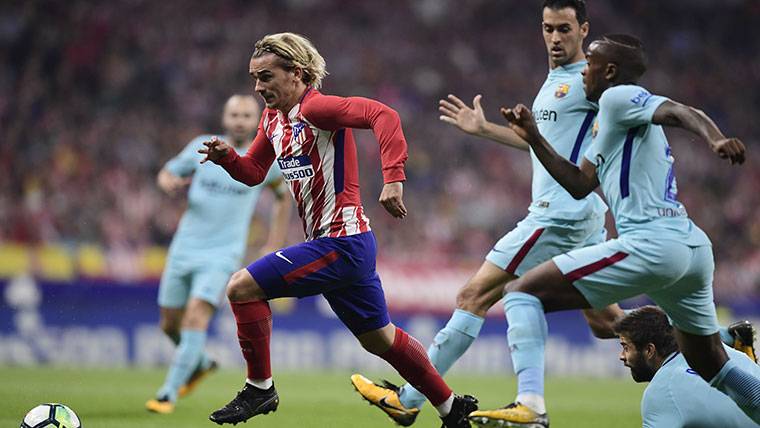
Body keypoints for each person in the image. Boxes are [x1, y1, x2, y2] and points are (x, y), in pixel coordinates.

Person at [353, 2, 622, 426]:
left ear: (584, 29)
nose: (555, 38)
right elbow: (543, 143)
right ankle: (717, 344)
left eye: (564, 29)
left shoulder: (590, 79)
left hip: (557, 216)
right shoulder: (556, 80)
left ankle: (410, 398)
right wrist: (485, 130)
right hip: (580, 216)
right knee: (607, 323)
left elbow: (626, 108)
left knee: (473, 296)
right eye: (548, 28)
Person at [199, 32, 477, 427]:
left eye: (266, 77)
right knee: (379, 338)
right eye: (255, 78)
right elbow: (254, 172)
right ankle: (452, 409)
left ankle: (260, 388)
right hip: (344, 246)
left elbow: (383, 115)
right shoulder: (273, 119)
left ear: (296, 73)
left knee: (241, 287)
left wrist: (393, 178)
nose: (258, 87)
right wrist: (229, 158)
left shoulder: (317, 108)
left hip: (342, 242)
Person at [487, 33, 759, 425]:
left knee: (521, 293)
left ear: (610, 71)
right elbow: (579, 183)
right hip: (691, 248)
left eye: (590, 63)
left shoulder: (619, 97)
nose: (583, 71)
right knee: (711, 363)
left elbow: (679, 110)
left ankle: (531, 405)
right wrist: (534, 138)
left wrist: (715, 139)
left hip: (651, 241)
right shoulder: (610, 120)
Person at [145, 95, 291, 414]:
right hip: (184, 249)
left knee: (195, 316)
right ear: (225, 118)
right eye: (234, 115)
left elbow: (283, 196)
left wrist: (274, 241)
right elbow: (168, 171)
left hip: (223, 255)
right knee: (169, 324)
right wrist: (169, 182)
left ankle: (167, 393)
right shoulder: (202, 146)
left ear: (256, 121)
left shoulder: (264, 159)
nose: (240, 121)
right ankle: (199, 362)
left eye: (246, 115)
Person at [614, 306, 759, 428]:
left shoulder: (662, 390)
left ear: (649, 350)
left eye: (626, 347)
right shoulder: (730, 355)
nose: (621, 356)